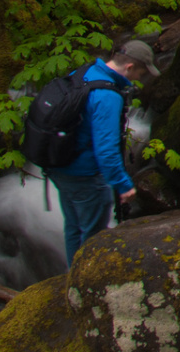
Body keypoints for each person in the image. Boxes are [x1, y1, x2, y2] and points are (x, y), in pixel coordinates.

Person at [46, 40, 157, 263]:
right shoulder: (108, 96)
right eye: (141, 73)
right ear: (129, 68)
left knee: (75, 227)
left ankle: (72, 274)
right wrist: (123, 186)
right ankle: (85, 280)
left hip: (59, 164)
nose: (139, 79)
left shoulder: (85, 72)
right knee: (93, 235)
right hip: (84, 175)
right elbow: (106, 151)